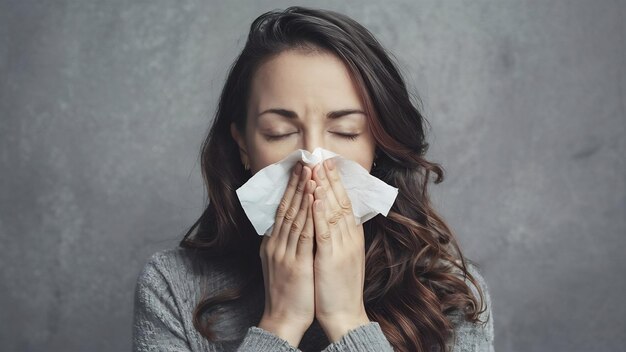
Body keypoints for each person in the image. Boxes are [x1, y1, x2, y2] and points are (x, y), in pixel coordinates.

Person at [133, 6, 494, 352]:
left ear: (378, 147)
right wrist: (281, 322)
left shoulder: (450, 293)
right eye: (279, 132)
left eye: (345, 131)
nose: (313, 162)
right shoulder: (172, 286)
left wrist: (347, 321)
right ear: (243, 146)